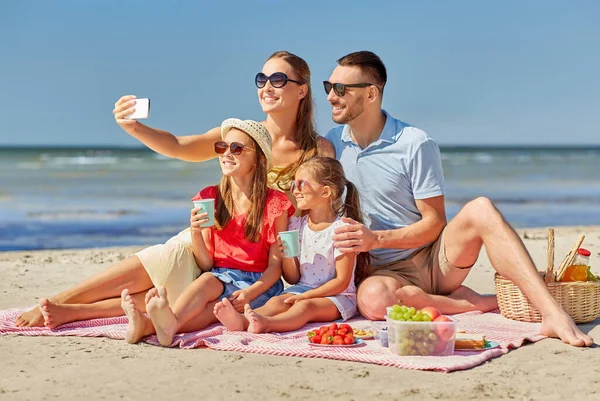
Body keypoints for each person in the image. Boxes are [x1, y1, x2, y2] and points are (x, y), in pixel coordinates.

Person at [15, 51, 333, 329]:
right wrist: (135, 127)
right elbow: (179, 146)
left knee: (169, 291)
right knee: (167, 257)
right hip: (216, 239)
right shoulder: (239, 135)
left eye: (278, 79)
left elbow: (315, 210)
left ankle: (70, 312)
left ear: (302, 89)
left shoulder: (317, 150)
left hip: (258, 255)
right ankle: (60, 301)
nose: (266, 87)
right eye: (261, 79)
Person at [323, 51, 594, 347]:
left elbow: (435, 223)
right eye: (329, 87)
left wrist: (375, 239)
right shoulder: (332, 144)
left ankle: (551, 312)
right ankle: (468, 303)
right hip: (384, 275)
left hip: (433, 261)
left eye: (340, 89)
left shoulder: (414, 143)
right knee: (374, 301)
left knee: (481, 209)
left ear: (371, 93)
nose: (330, 97)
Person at [121, 118, 294, 345]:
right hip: (221, 274)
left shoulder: (274, 204)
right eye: (222, 147)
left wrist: (250, 293)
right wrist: (195, 232)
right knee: (205, 283)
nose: (226, 153)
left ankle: (150, 326)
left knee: (218, 309)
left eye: (237, 148)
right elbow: (206, 263)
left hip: (259, 283)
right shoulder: (210, 197)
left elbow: (275, 267)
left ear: (259, 158)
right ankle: (167, 324)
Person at [213, 157, 369, 333]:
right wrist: (287, 255)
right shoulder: (296, 225)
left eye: (301, 184)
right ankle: (243, 320)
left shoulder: (343, 230)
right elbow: (293, 278)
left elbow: (341, 282)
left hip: (337, 297)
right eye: (293, 185)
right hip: (302, 289)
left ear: (326, 192)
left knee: (305, 308)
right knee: (276, 302)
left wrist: (306, 296)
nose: (295, 191)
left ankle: (266, 324)